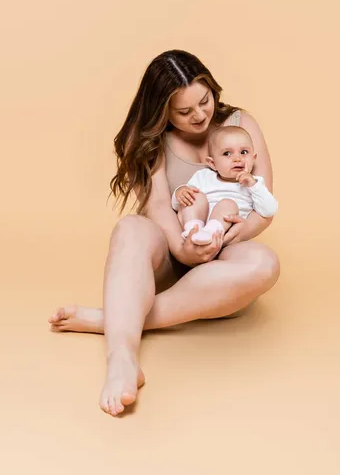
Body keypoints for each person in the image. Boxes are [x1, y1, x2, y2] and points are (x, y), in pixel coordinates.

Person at [48, 49, 280, 417]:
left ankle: (111, 318)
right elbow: (157, 205)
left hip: (224, 265)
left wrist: (224, 238)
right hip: (172, 250)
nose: (200, 115)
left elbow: (263, 199)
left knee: (265, 263)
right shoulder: (150, 138)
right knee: (129, 227)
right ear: (162, 111)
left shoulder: (240, 124)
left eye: (204, 101)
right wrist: (184, 249)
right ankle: (122, 359)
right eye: (184, 112)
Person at [172, 125, 278, 245]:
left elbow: (269, 210)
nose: (237, 158)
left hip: (226, 236)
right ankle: (193, 230)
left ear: (253, 159)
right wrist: (180, 192)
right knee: (194, 196)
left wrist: (253, 186)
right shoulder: (203, 176)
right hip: (197, 227)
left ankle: (211, 233)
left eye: (244, 152)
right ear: (212, 163)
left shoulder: (254, 184)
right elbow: (177, 204)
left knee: (228, 204)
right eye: (227, 153)